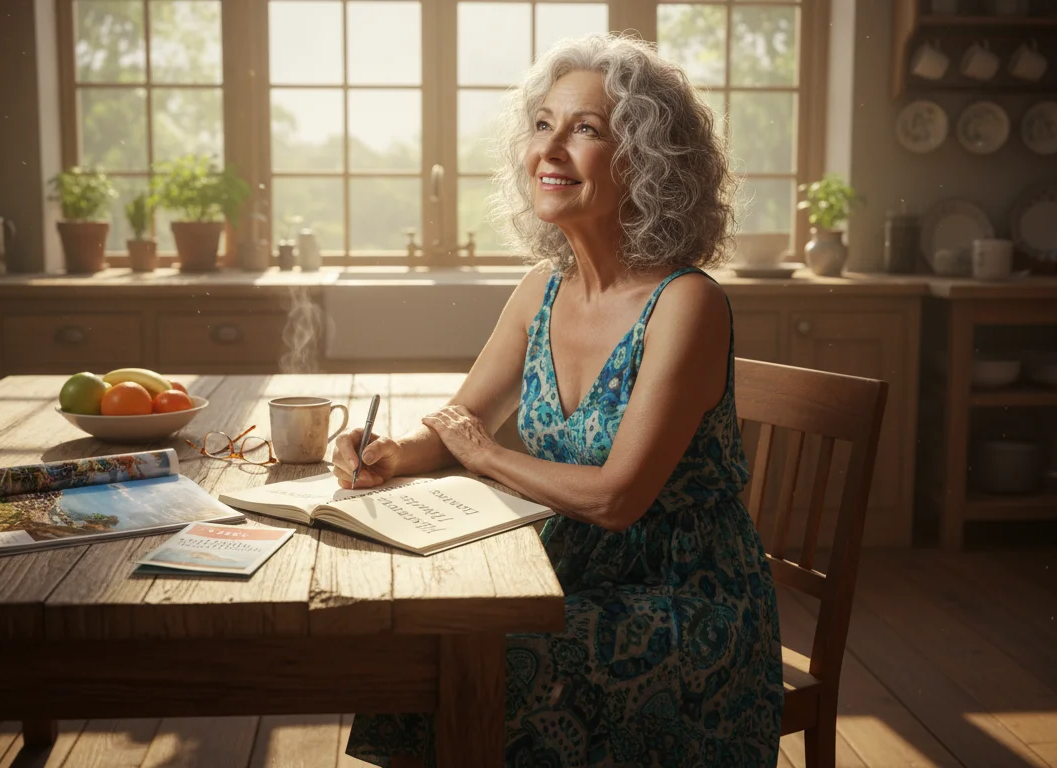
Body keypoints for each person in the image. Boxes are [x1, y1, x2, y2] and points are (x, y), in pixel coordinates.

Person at [331, 31, 783, 768]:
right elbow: (462, 422)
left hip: (685, 605)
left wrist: (482, 456)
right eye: (543, 124)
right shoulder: (541, 289)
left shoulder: (687, 303)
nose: (551, 149)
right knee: (424, 648)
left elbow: (616, 500)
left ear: (650, 160)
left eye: (586, 130)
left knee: (487, 665)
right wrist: (390, 454)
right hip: (567, 574)